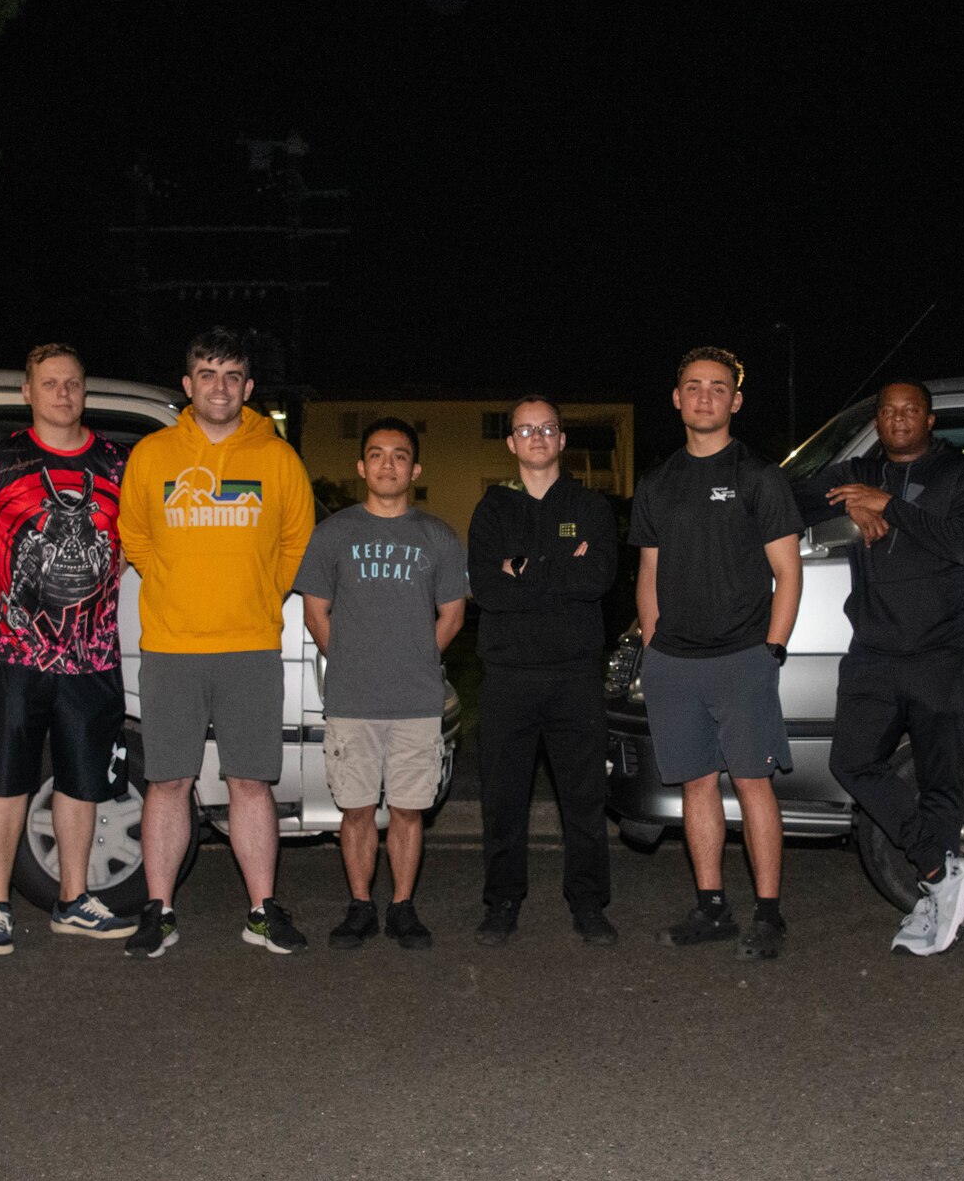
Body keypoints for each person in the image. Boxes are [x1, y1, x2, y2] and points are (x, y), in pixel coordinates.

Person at [115, 326, 315, 959]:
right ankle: (159, 910)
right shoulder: (152, 455)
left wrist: (259, 592)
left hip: (251, 645)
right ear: (188, 385)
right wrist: (175, 587)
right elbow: (135, 537)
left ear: (248, 387)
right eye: (207, 374)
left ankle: (261, 911)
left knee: (250, 783)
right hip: (172, 646)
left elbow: (297, 544)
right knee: (167, 782)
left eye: (231, 376)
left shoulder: (278, 458)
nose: (219, 386)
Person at [0, 343, 136, 954]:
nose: (63, 393)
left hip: (92, 655)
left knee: (81, 782)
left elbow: (131, 544)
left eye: (73, 383)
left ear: (85, 390)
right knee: (7, 780)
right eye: (50, 383)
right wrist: (10, 607)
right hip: (14, 655)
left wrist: (97, 594)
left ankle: (73, 900)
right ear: (27, 391)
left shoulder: (117, 465)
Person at [795, 380, 964, 955]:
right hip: (875, 651)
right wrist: (857, 499)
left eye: (910, 410)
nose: (898, 418)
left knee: (939, 781)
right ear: (878, 420)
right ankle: (938, 870)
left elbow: (962, 542)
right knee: (852, 760)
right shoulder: (857, 472)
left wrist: (888, 507)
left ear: (929, 420)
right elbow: (783, 501)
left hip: (942, 651)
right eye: (888, 411)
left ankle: (936, 903)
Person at [630, 347, 803, 960]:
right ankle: (712, 908)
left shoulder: (761, 477)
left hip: (742, 657)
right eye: (693, 386)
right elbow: (647, 573)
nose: (705, 396)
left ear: (735, 401)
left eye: (718, 387)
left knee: (753, 783)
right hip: (674, 662)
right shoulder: (657, 483)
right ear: (677, 399)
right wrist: (653, 648)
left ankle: (769, 914)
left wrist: (771, 650)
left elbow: (788, 572)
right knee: (697, 786)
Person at [294, 417, 467, 950]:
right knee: (357, 809)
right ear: (360, 467)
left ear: (414, 468)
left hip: (416, 701)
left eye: (398, 455)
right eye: (376, 454)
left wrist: (412, 660)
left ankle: (403, 907)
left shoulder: (436, 536)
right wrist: (350, 660)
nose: (386, 464)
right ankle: (361, 905)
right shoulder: (333, 534)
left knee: (411, 809)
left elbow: (453, 615)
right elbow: (315, 612)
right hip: (352, 699)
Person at [467, 396, 620, 946]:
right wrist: (560, 565)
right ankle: (502, 902)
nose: (536, 437)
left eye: (547, 428)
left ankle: (588, 903)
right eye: (525, 430)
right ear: (511, 443)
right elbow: (486, 588)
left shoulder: (591, 506)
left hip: (574, 676)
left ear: (561, 440)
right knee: (503, 798)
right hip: (508, 676)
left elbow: (598, 576)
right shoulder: (492, 509)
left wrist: (523, 567)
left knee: (583, 800)